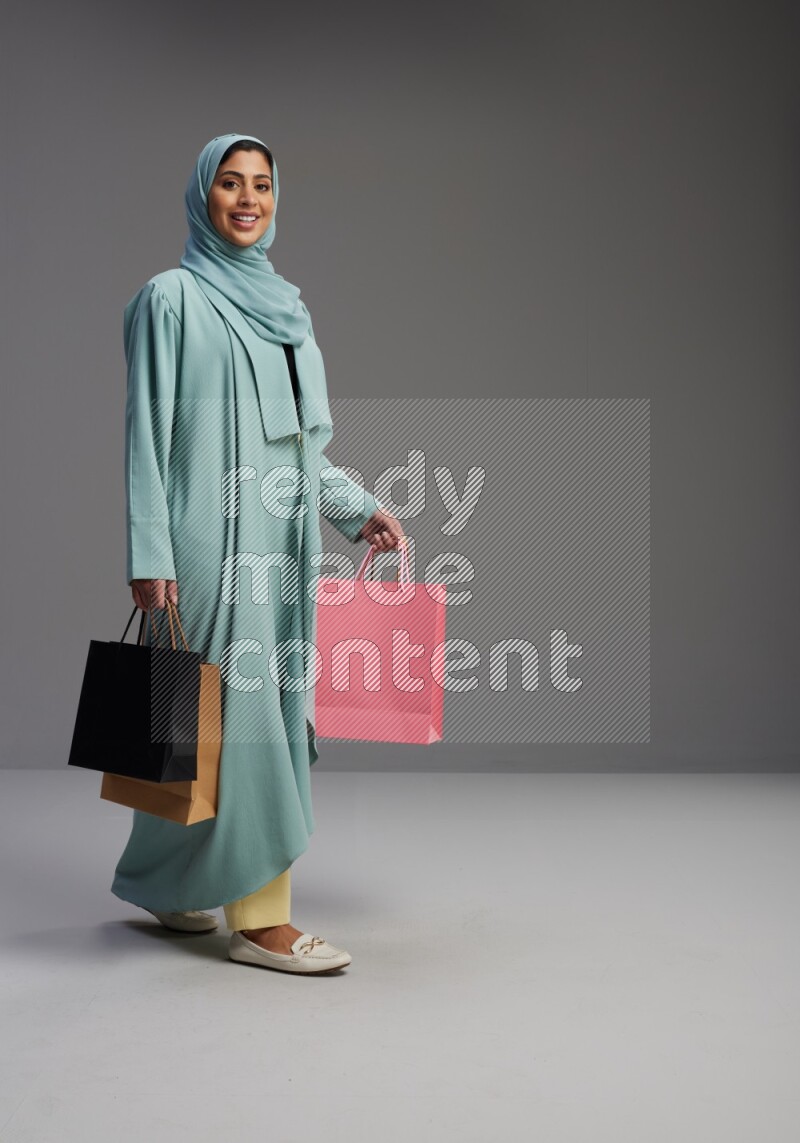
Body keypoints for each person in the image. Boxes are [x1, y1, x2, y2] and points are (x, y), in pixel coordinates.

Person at [112, 132, 405, 975]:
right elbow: (145, 435)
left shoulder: (288, 315)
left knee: (208, 723)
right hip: (204, 543)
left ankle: (170, 885)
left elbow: (304, 452)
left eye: (263, 186)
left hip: (279, 545)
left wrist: (358, 508)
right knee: (230, 725)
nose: (248, 199)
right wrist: (149, 549)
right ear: (202, 195)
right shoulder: (169, 300)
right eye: (230, 184)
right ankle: (263, 919)